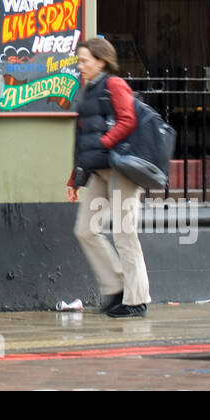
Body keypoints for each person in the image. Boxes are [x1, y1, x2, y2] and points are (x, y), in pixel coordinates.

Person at [66, 36, 152, 318]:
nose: (80, 65)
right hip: (98, 170)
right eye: (79, 60)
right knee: (86, 230)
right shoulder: (87, 90)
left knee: (124, 234)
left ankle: (136, 299)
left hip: (121, 170)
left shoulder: (114, 84)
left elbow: (128, 120)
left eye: (84, 60)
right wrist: (75, 178)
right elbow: (83, 139)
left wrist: (104, 142)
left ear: (101, 61)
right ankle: (116, 288)